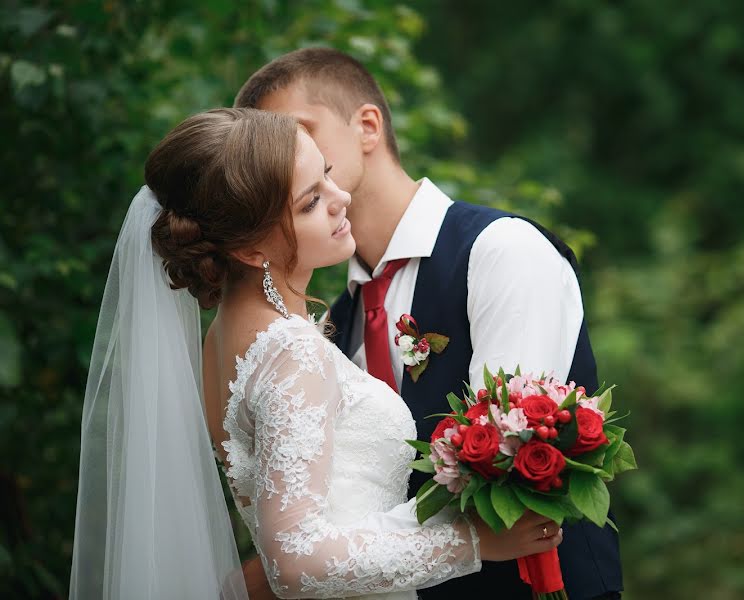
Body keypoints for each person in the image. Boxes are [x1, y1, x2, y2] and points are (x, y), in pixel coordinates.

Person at [68, 107, 562, 600]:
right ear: (250, 249)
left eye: (326, 174)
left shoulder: (221, 340)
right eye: (310, 202)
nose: (340, 197)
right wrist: (473, 541)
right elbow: (296, 561)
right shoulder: (290, 352)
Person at [234, 48, 623, 600]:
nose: (284, 156)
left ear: (367, 126)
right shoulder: (331, 321)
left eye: (298, 131)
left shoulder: (501, 252)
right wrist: (296, 556)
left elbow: (505, 468)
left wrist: (299, 563)